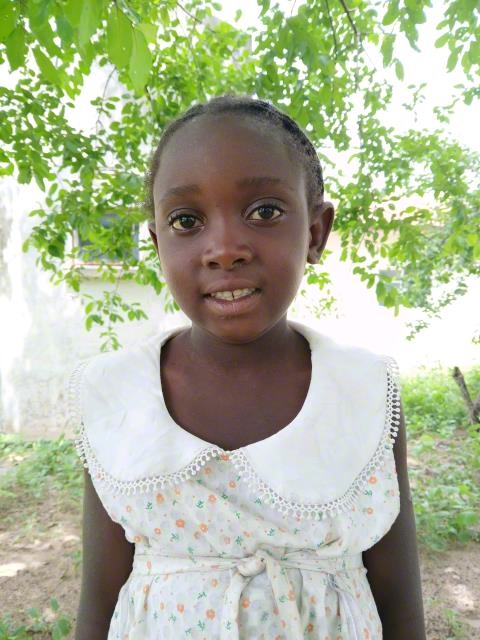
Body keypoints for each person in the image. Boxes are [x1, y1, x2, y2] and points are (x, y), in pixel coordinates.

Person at [72, 95, 426, 639]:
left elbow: (399, 598)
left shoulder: (363, 392)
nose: (224, 249)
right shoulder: (115, 395)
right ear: (158, 245)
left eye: (264, 211)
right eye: (186, 220)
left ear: (316, 232)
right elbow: (99, 597)